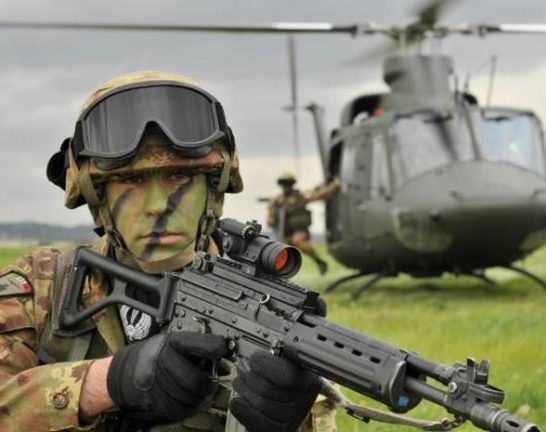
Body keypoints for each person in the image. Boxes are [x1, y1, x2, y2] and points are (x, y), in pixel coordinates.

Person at [0, 71, 337, 431]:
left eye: (180, 177)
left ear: (213, 188)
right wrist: (109, 380)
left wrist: (294, 419)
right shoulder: (44, 287)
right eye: (132, 180)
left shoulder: (262, 310)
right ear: (98, 196)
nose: (159, 205)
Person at [267, 173, 340, 275]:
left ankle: (319, 261)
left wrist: (334, 187)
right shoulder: (277, 200)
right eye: (284, 185)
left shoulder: (299, 197)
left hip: (299, 230)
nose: (285, 188)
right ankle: (280, 272)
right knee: (280, 250)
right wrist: (271, 219)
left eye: (288, 185)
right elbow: (270, 215)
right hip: (284, 232)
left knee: (299, 242)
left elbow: (319, 195)